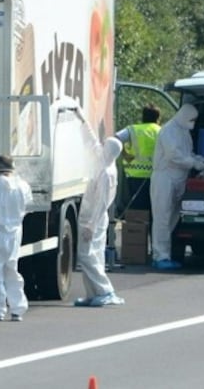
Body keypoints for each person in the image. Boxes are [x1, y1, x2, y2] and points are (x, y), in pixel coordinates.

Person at [149, 104, 204, 270]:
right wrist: (194, 164)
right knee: (162, 218)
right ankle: (160, 257)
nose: (193, 122)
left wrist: (201, 161)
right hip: (165, 177)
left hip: (179, 178)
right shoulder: (169, 130)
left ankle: (164, 253)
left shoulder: (184, 132)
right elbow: (174, 156)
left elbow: (187, 152)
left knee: (172, 218)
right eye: (191, 119)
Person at [0, 155, 33, 321]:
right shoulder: (23, 186)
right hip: (15, 233)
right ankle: (17, 309)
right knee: (12, 269)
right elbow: (28, 206)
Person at [74, 137, 126, 307]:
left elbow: (101, 203)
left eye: (105, 145)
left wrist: (91, 225)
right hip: (93, 217)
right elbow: (92, 143)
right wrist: (81, 118)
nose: (101, 146)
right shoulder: (105, 163)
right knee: (95, 255)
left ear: (109, 150)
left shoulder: (106, 173)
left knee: (86, 255)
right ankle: (92, 294)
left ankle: (105, 291)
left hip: (93, 218)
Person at [115, 103, 161, 211]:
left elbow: (116, 139)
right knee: (153, 207)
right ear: (158, 118)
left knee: (137, 209)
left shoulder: (133, 130)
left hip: (134, 176)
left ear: (143, 116)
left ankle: (136, 227)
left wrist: (125, 155)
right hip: (156, 176)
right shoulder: (161, 131)